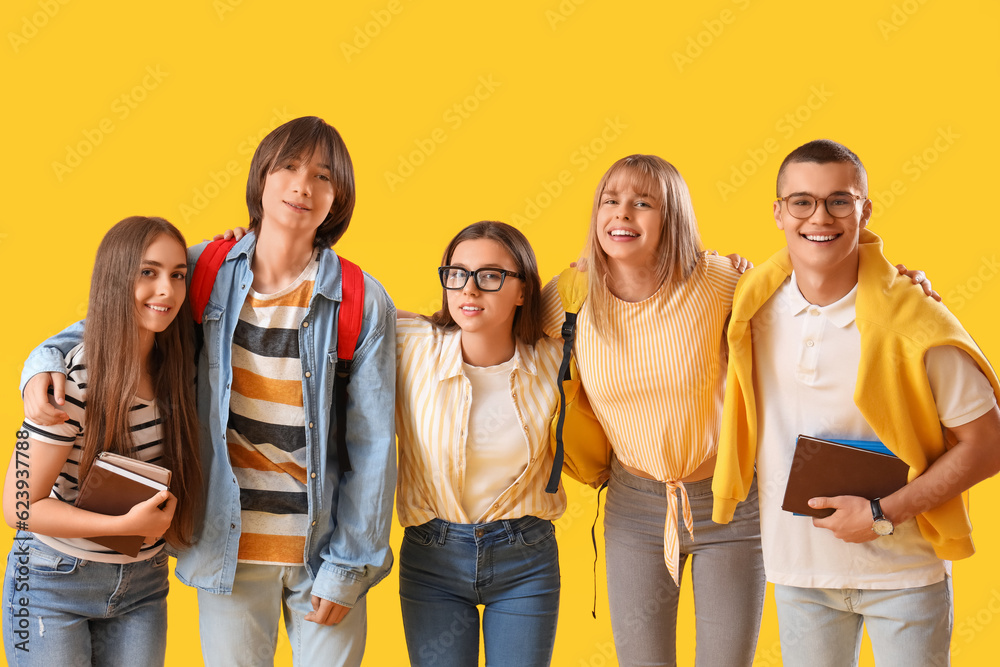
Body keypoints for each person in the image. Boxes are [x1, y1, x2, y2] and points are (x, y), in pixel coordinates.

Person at [18, 117, 397, 666]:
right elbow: (117, 315)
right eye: (288, 167)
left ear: (338, 198)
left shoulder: (361, 298)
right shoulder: (204, 269)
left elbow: (374, 446)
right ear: (261, 179)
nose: (302, 186)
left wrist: (350, 566)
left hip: (322, 550)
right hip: (228, 547)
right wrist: (41, 362)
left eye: (323, 176)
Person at [712, 139, 1000, 666]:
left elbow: (988, 445)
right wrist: (591, 273)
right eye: (802, 201)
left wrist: (882, 514)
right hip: (799, 574)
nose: (819, 216)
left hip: (905, 579)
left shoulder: (915, 320)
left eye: (839, 201)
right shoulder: (749, 307)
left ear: (864, 210)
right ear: (778, 213)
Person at [539, 154, 763, 666]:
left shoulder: (718, 280)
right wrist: (410, 326)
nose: (622, 215)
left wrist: (905, 285)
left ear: (673, 218)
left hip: (729, 504)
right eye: (610, 201)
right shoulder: (570, 295)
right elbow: (490, 323)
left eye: (643, 204)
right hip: (634, 506)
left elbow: (809, 308)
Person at [3, 216, 202, 666]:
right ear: (115, 279)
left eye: (177, 275)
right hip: (52, 581)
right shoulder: (72, 377)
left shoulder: (181, 366)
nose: (166, 291)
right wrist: (120, 527)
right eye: (147, 273)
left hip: (143, 585)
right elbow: (19, 506)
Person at [395, 221, 565, 666]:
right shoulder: (409, 347)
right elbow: (323, 307)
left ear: (523, 291)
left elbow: (603, 291)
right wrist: (245, 246)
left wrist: (719, 271)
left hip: (525, 559)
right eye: (457, 273)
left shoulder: (554, 358)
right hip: (433, 558)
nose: (469, 290)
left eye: (490, 276)